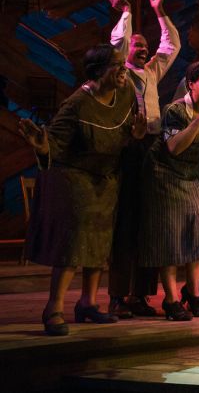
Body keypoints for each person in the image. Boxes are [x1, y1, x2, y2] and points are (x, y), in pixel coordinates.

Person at [18, 44, 146, 335]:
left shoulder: (127, 93)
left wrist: (136, 136)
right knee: (75, 242)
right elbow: (53, 142)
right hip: (76, 176)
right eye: (117, 65)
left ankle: (88, 302)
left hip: (107, 177)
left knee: (100, 240)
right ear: (98, 72)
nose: (123, 70)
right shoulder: (76, 104)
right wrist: (42, 145)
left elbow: (126, 133)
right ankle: (53, 308)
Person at [106, 0, 181, 318]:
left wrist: (159, 10)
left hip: (151, 146)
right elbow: (118, 45)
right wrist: (126, 13)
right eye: (137, 45)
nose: (142, 49)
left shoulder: (151, 72)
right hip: (126, 147)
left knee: (149, 224)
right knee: (125, 223)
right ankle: (118, 295)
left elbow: (172, 45)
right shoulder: (119, 73)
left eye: (145, 47)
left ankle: (140, 294)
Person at [139, 61, 199, 320]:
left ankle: (194, 296)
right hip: (165, 175)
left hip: (193, 175)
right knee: (170, 238)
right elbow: (175, 147)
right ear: (191, 84)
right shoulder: (174, 110)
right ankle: (172, 300)